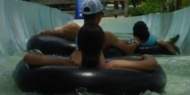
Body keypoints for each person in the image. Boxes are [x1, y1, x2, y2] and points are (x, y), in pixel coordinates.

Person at [24, 24, 159, 72]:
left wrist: (38, 53)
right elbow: (152, 65)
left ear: (79, 46)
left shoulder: (70, 64)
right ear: (102, 45)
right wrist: (147, 56)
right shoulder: (111, 66)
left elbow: (29, 58)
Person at [37, 0, 137, 55]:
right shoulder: (106, 37)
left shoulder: (71, 29)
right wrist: (137, 41)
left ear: (83, 14)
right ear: (98, 15)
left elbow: (46, 33)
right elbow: (128, 50)